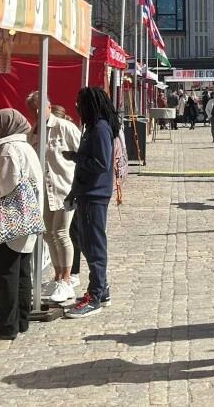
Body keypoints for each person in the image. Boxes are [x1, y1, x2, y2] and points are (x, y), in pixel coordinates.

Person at [0, 109, 44, 341]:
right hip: (26, 219)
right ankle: (21, 319)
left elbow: (8, 181)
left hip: (11, 220)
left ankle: (7, 326)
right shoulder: (26, 146)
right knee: (21, 273)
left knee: (7, 273)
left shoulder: (9, 149)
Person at [64, 87, 118, 319]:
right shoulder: (91, 128)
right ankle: (101, 287)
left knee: (93, 243)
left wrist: (77, 157)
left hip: (95, 195)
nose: (76, 106)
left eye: (79, 102)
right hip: (85, 193)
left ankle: (95, 293)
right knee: (77, 235)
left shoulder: (100, 129)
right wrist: (73, 193)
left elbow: (101, 163)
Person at [25, 92, 82, 306]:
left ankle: (67, 279)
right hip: (44, 190)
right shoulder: (33, 132)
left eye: (40, 108)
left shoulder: (65, 128)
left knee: (61, 232)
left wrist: (79, 184)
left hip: (65, 188)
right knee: (48, 234)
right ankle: (58, 275)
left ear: (49, 105)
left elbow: (81, 153)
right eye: (33, 109)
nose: (37, 113)